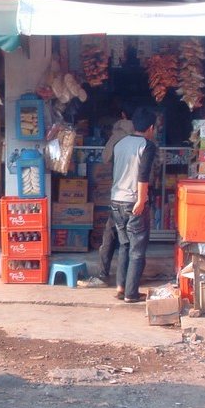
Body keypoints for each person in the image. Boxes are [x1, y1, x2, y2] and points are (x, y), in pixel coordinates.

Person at [79, 109, 134, 288]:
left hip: (118, 194)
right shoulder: (144, 140)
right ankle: (126, 284)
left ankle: (104, 275)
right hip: (136, 196)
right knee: (131, 242)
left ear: (123, 116)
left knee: (111, 236)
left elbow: (105, 158)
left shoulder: (116, 137)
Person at [109, 107, 157, 303]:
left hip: (116, 200)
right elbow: (143, 174)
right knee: (137, 249)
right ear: (151, 127)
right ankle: (131, 293)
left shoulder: (120, 144)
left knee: (124, 246)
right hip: (133, 201)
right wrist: (140, 200)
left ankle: (121, 287)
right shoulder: (147, 145)